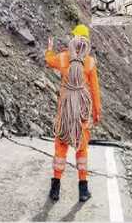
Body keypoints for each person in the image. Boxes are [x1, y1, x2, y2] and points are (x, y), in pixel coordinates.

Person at [45, 24, 101, 202]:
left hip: (65, 114)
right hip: (81, 116)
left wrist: (49, 49)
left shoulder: (63, 58)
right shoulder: (90, 63)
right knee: (82, 150)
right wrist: (96, 114)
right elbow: (94, 90)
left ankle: (55, 189)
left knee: (60, 148)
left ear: (73, 39)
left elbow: (49, 61)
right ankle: (83, 190)